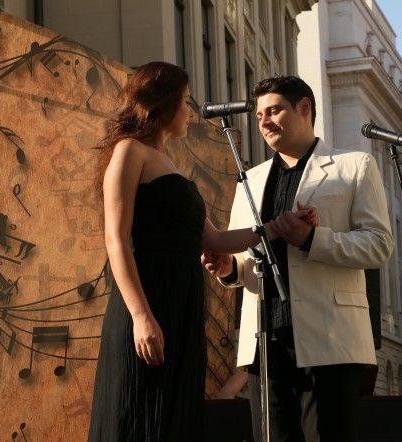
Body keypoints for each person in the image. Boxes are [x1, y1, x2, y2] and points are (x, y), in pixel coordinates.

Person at [88, 62, 315, 441]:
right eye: (185, 102)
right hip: (148, 299)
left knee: (174, 418)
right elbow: (116, 239)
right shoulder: (129, 151)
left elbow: (214, 240)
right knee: (138, 413)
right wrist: (141, 317)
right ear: (163, 103)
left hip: (182, 305)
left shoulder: (169, 162)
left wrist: (279, 226)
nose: (190, 112)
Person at [203, 75, 393, 441]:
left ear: (304, 108)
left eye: (274, 110)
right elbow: (245, 259)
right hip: (266, 343)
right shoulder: (249, 180)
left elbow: (379, 245)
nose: (265, 122)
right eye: (260, 115)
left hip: (332, 340)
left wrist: (312, 239)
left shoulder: (355, 166)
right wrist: (230, 269)